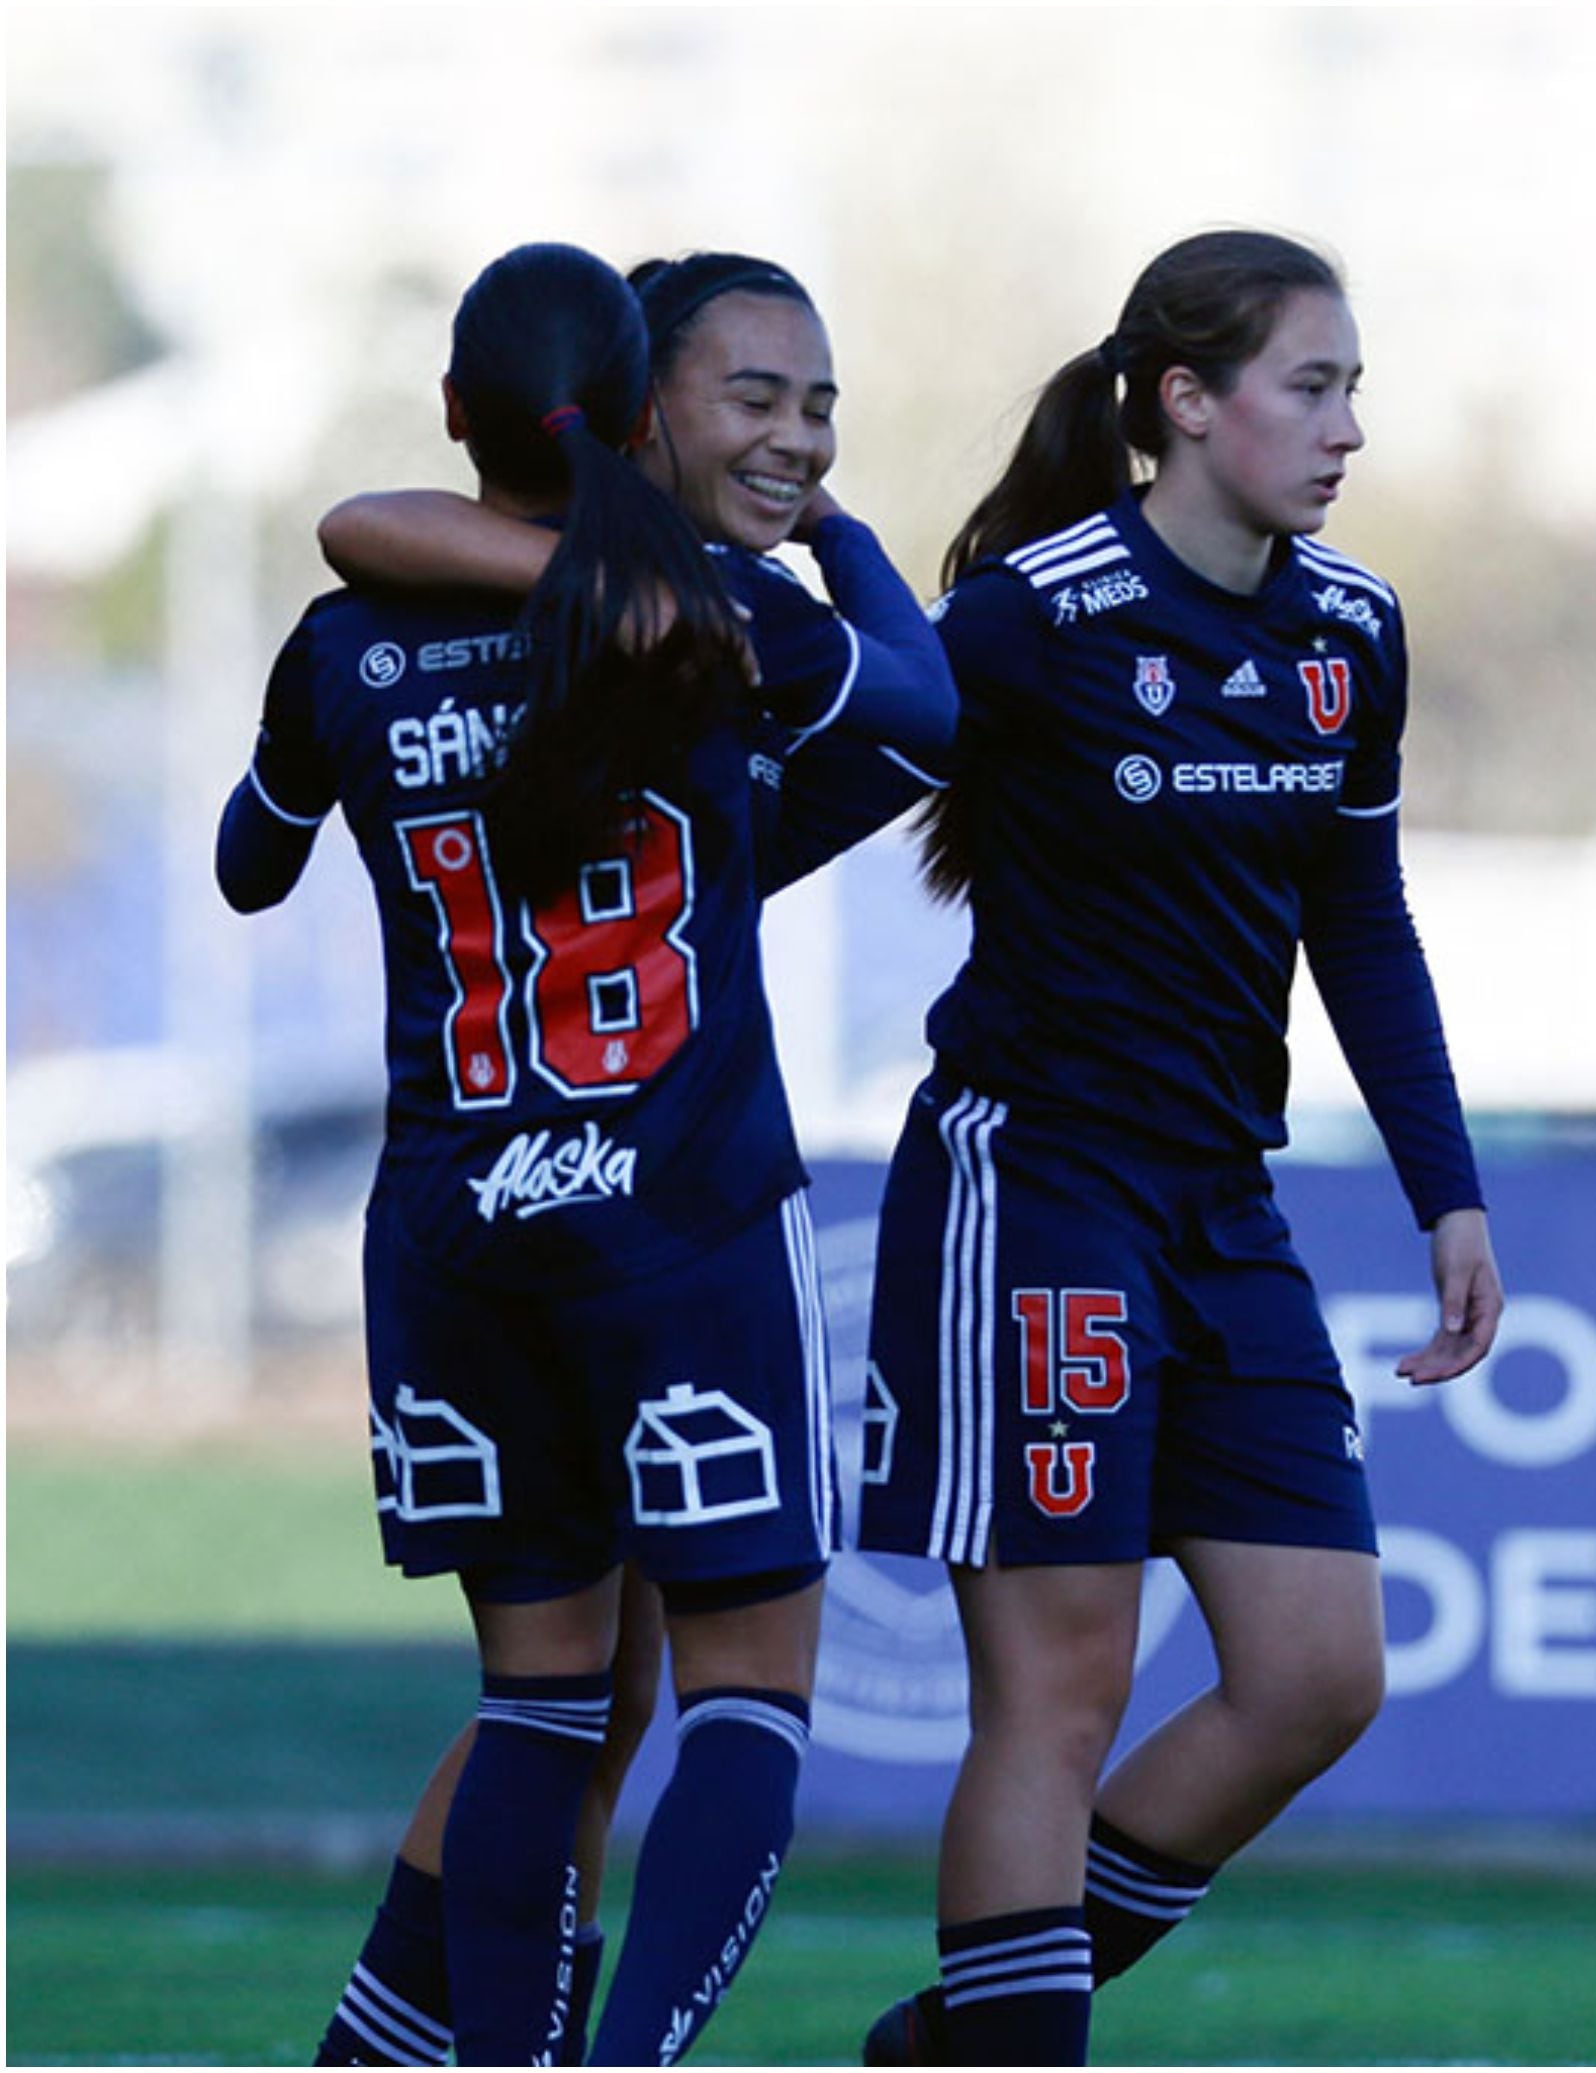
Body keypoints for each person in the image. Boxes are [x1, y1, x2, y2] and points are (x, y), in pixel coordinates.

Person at [221, 241, 951, 2064]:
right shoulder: (706, 618)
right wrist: (813, 544)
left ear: (457, 413)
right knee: (744, 1705)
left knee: (543, 1709)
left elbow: (251, 856)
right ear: (638, 418)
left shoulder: (343, 638)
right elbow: (919, 715)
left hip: (457, 1234)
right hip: (680, 1220)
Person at [846, 228, 1503, 2066]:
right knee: (1055, 1699)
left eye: (1355, 385)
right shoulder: (1032, 615)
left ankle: (954, 2041)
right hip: (1034, 1183)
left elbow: (1359, 923)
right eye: (1314, 384)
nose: (1349, 425)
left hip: (1225, 1208)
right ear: (1186, 403)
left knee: (1316, 1673)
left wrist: (1446, 1189)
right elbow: (818, 790)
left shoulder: (1350, 632)